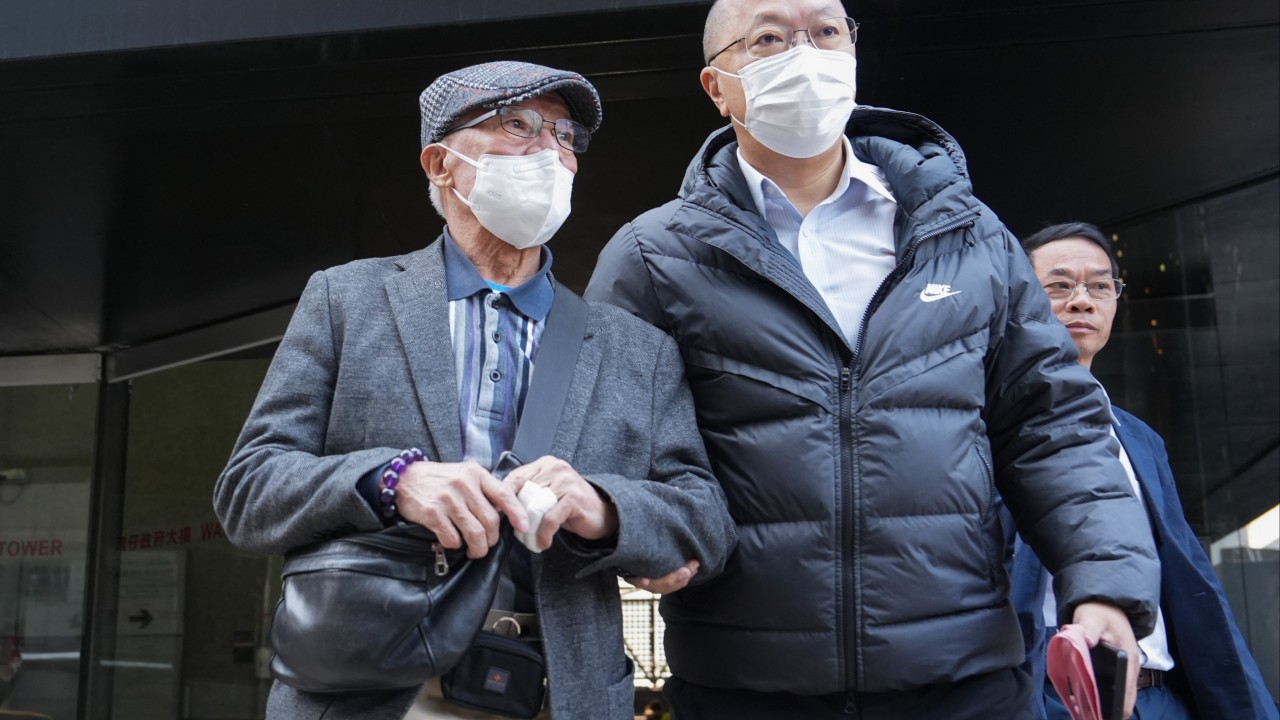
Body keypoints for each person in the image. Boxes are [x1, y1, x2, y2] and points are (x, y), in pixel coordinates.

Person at [584, 1, 1162, 718]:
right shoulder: (653, 256)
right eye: (769, 37)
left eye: (826, 32)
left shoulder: (967, 234)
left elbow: (1052, 425)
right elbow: (611, 443)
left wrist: (1105, 585)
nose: (805, 53)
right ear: (716, 87)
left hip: (965, 682)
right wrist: (645, 535)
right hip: (747, 686)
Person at [214, 60, 736, 720]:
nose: (550, 151)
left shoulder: (638, 349)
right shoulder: (346, 301)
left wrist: (605, 507)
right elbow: (248, 491)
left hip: (559, 691)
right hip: (373, 688)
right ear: (441, 164)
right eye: (518, 125)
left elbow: (706, 524)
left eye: (565, 136)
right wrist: (392, 480)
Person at [1012, 221, 1279, 720]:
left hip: (1160, 697)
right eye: (1059, 285)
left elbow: (1190, 580)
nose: (1082, 301)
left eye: (1100, 286)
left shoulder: (1139, 439)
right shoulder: (983, 421)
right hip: (1050, 696)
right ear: (1016, 297)